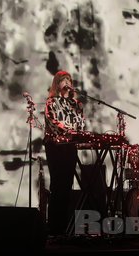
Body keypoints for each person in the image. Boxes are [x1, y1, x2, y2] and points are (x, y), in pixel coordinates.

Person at [43, 70, 85, 236]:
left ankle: (65, 226)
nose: (66, 82)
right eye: (63, 79)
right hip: (55, 146)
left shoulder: (76, 104)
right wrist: (69, 131)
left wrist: (77, 133)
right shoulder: (51, 102)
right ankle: (54, 226)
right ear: (57, 83)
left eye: (68, 79)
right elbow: (53, 122)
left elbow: (81, 123)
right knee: (57, 184)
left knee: (67, 185)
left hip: (70, 146)